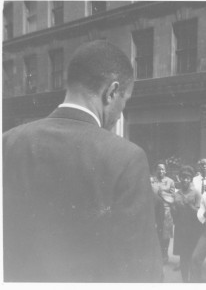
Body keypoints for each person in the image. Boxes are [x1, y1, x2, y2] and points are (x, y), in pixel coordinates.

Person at [3, 40, 163, 282]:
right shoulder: (127, 158)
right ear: (111, 92)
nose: (121, 112)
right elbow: (141, 271)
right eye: (125, 101)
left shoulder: (8, 142)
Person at [171, 166, 202, 282]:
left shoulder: (196, 193)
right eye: (183, 177)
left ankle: (194, 282)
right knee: (183, 257)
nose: (185, 180)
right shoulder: (176, 194)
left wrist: (189, 205)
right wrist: (173, 208)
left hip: (193, 229)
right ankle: (185, 281)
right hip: (181, 229)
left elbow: (200, 213)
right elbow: (174, 215)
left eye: (188, 178)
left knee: (193, 256)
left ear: (191, 179)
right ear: (180, 178)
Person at [151, 162, 175, 263]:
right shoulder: (152, 181)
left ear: (166, 170)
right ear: (156, 170)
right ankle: (156, 254)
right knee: (156, 232)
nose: (160, 171)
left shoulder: (170, 181)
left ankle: (164, 254)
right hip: (155, 210)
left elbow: (173, 197)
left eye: (162, 169)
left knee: (165, 233)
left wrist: (163, 194)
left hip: (166, 210)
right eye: (159, 169)